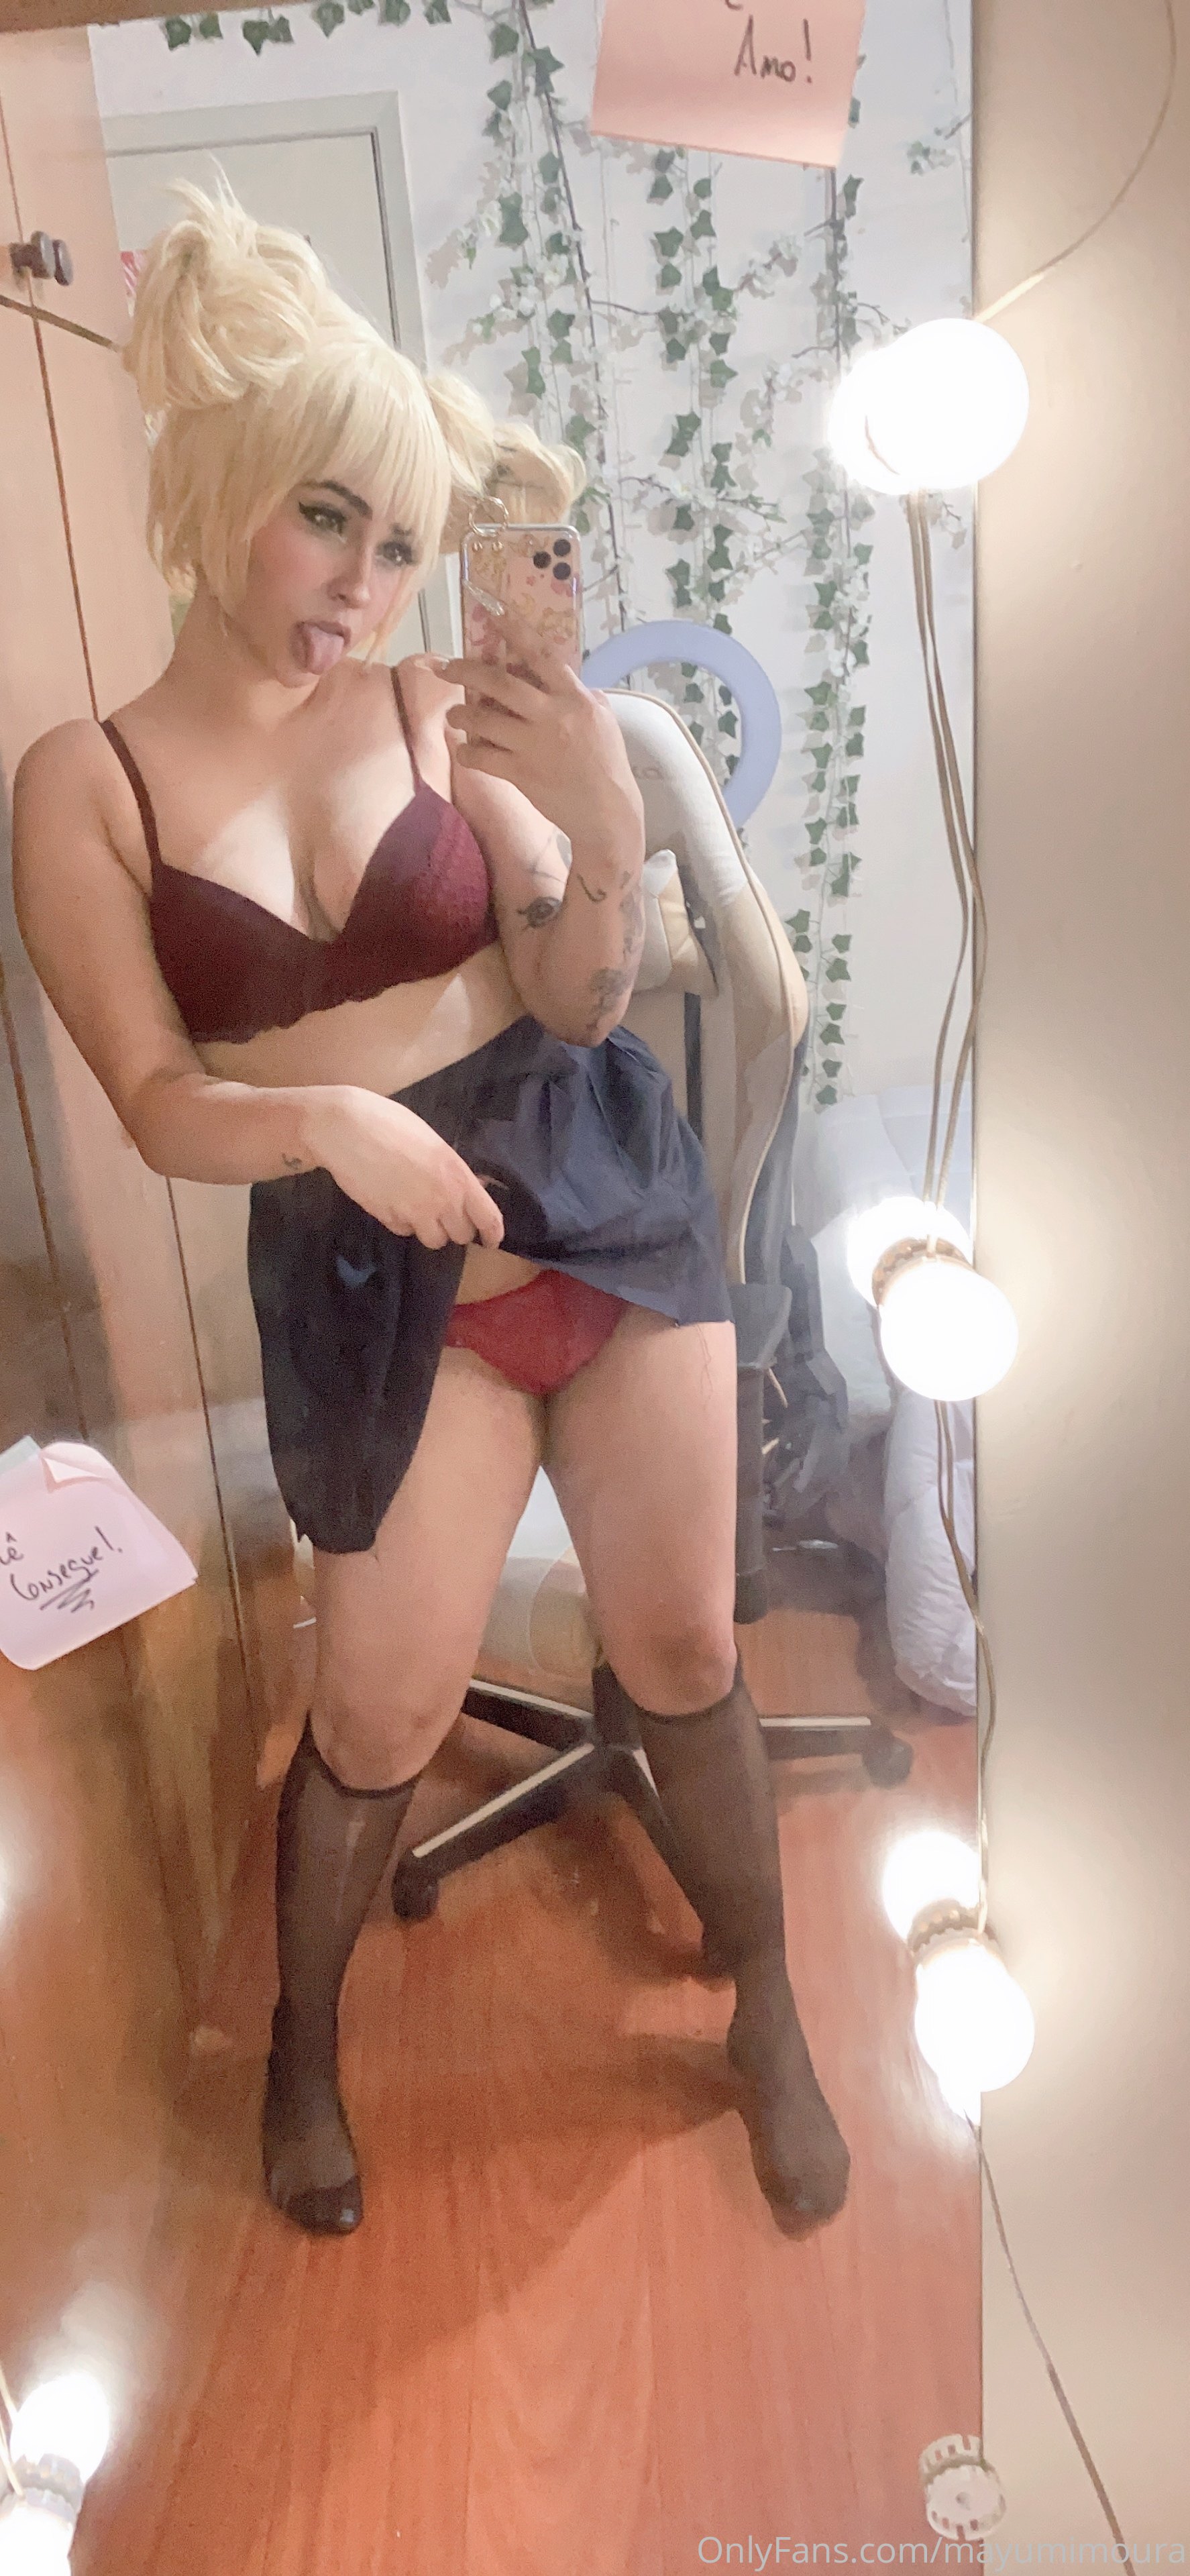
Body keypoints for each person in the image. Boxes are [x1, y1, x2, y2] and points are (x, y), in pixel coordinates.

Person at [13, 189, 849, 2239]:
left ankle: (770, 2006)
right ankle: (301, 2047)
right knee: (380, 1705)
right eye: (328, 521)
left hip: (600, 1195)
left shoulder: (428, 708)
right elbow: (156, 1108)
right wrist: (323, 1119)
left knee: (680, 1639)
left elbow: (576, 997)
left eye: (400, 544)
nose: (367, 584)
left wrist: (611, 832)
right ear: (218, 488)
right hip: (365, 1266)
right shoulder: (88, 784)